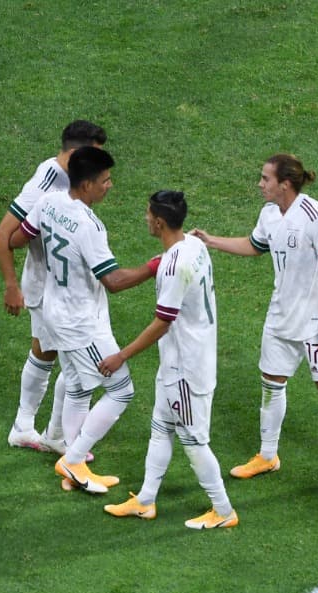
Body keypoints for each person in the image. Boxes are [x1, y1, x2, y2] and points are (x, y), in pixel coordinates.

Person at [191, 153, 318, 490]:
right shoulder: (270, 214)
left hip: (315, 321)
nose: (260, 184)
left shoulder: (315, 217)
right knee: (271, 382)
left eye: (265, 179)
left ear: (285, 183)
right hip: (281, 316)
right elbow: (255, 246)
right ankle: (268, 455)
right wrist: (211, 241)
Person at [9, 146, 157, 494]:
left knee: (77, 383)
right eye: (105, 181)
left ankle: (67, 456)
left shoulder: (48, 202)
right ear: (87, 184)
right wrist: (155, 266)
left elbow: (17, 239)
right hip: (80, 323)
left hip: (53, 309)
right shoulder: (90, 226)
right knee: (121, 389)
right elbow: (114, 281)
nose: (110, 186)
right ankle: (74, 460)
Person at [99, 191, 238, 530]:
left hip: (187, 369)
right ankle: (145, 501)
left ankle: (223, 510)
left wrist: (121, 355)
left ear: (159, 222)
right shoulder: (194, 246)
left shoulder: (175, 265)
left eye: (148, 214)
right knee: (160, 428)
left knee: (193, 440)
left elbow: (163, 322)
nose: (145, 219)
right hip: (179, 362)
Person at [0, 120, 108, 453]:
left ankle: (32, 428)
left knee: (50, 353)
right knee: (63, 356)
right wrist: (11, 286)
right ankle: (46, 432)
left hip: (67, 284)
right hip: (47, 286)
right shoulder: (47, 179)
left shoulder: (73, 178)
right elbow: (4, 235)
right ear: (74, 153)